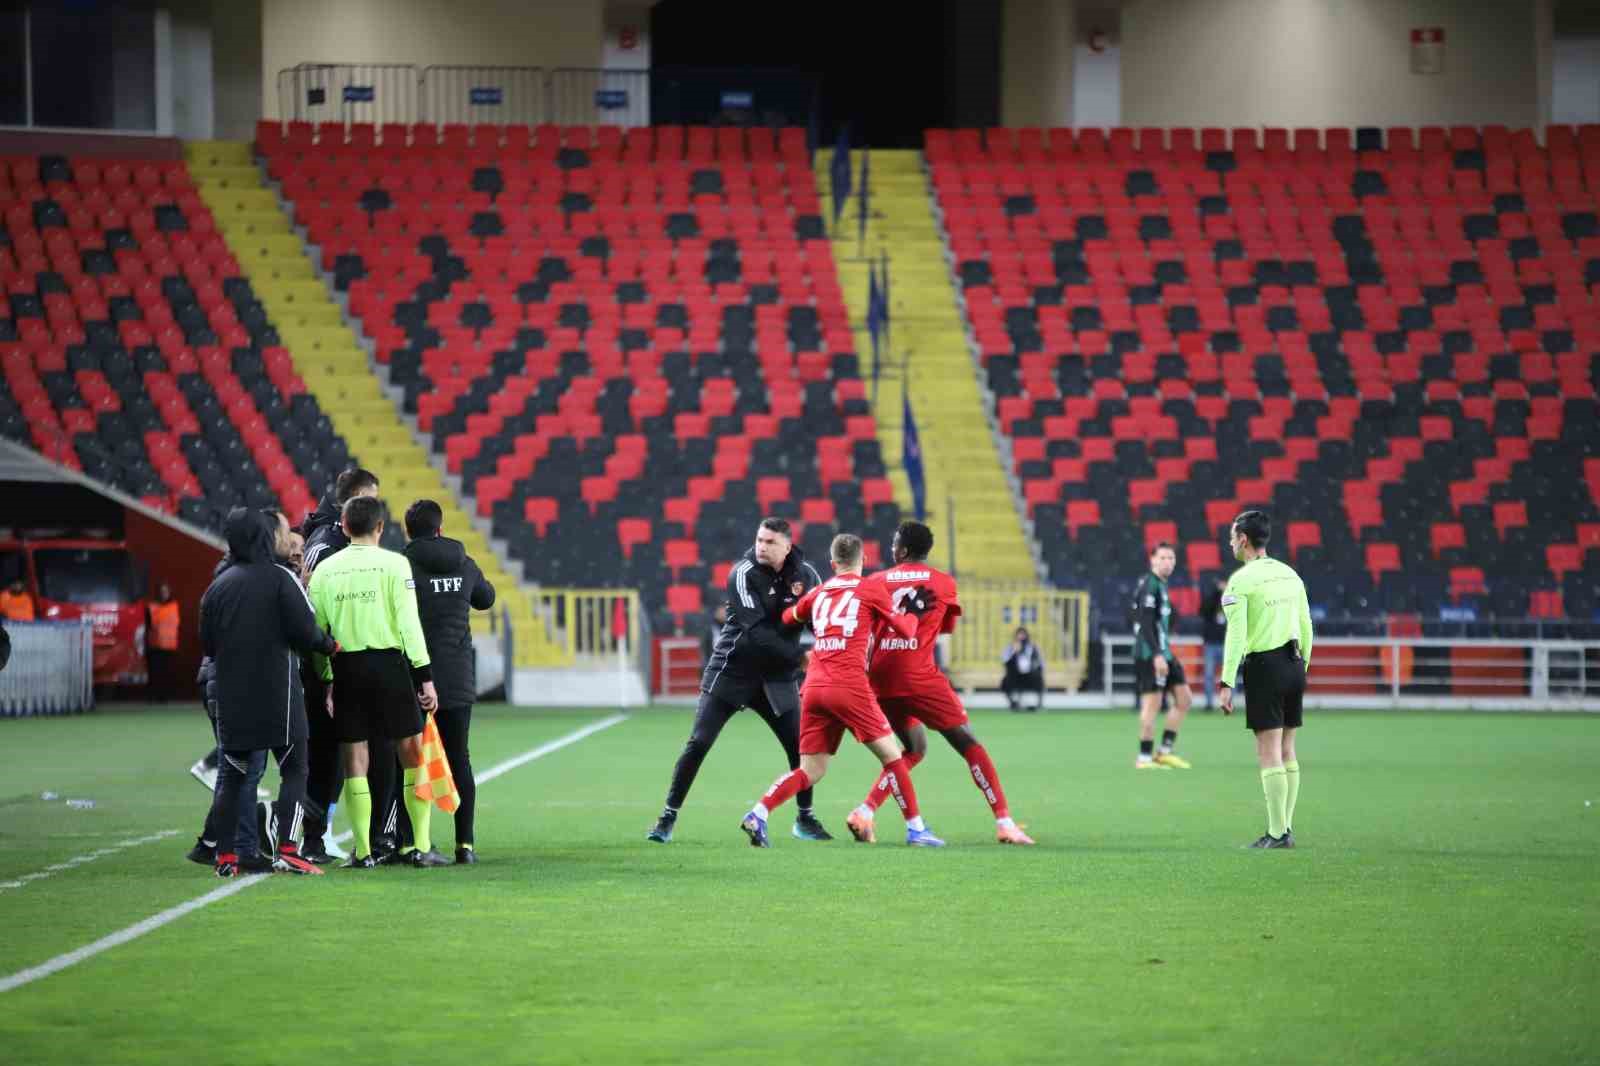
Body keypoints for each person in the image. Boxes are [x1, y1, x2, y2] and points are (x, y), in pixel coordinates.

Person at [741, 533, 943, 848]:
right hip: (848, 684)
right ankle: (917, 830)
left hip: (813, 687)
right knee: (894, 757)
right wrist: (915, 614)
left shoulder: (818, 592)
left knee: (810, 770)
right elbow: (905, 630)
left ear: (833, 564)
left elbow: (787, 617)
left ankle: (760, 812)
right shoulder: (870, 588)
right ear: (863, 561)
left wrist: (794, 611)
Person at [844, 521, 1035, 845]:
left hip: (879, 678)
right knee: (969, 744)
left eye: (894, 542)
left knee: (912, 749)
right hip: (919, 677)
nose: (892, 548)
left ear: (902, 550)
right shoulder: (943, 583)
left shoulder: (873, 581)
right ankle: (1004, 822)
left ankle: (865, 811)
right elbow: (944, 629)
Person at [645, 518, 831, 844]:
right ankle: (667, 817)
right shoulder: (742, 573)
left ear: (787, 546)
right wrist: (801, 657)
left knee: (800, 749)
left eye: (770, 542)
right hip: (733, 670)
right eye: (759, 539)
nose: (762, 546)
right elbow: (756, 633)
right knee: (699, 743)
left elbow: (819, 623)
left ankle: (805, 819)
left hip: (777, 677)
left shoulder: (808, 576)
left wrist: (826, 649)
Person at [308, 495, 446, 868]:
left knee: (355, 759)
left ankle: (365, 851)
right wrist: (425, 677)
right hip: (390, 665)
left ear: (346, 527)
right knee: (412, 754)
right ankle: (420, 845)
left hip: (347, 667)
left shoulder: (324, 571)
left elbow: (317, 632)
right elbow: (409, 625)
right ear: (381, 528)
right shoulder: (395, 564)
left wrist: (327, 680)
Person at [199, 508, 336, 877]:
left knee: (233, 775)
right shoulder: (280, 579)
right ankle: (290, 849)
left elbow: (208, 645)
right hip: (278, 692)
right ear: (264, 537)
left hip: (232, 695)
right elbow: (306, 631)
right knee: (294, 767)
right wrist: (329, 645)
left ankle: (226, 857)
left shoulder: (219, 585)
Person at [399, 499, 496, 864]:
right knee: (460, 759)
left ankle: (408, 842)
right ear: (440, 528)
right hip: (456, 676)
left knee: (406, 762)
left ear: (409, 531)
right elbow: (485, 599)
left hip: (413, 675)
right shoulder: (463, 561)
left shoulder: (401, 564)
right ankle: (465, 845)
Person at [298, 467, 380, 863]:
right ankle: (311, 837)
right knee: (326, 754)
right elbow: (310, 602)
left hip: (336, 661)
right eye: (372, 496)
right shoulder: (326, 541)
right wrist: (325, 668)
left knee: (335, 753)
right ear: (355, 497)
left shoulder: (336, 537)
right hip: (323, 665)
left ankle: (319, 833)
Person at [1218, 510, 1314, 850]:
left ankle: (1276, 834)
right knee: (1288, 749)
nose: (1230, 542)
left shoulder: (1240, 582)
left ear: (1243, 539)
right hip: (1294, 663)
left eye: (1232, 536)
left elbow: (1237, 634)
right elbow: (1306, 626)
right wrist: (1303, 668)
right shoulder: (1290, 575)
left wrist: (1226, 681)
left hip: (1266, 667)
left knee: (1268, 752)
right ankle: (1285, 826)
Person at [1132, 543, 1194, 770]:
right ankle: (1144, 758)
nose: (1167, 562)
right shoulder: (1149, 585)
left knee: (1184, 699)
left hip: (1165, 653)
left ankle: (1164, 752)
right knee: (1152, 705)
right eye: (1163, 558)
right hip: (1151, 655)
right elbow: (1145, 622)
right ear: (1153, 560)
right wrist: (1157, 654)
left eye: (1171, 558)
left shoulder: (1161, 586)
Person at [146, 582, 180, 702]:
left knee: (166, 673)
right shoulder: (152, 607)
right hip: (155, 646)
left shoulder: (174, 606)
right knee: (155, 673)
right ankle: (153, 696)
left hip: (169, 646)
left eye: (166, 591)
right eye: (162, 591)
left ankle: (164, 697)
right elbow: (147, 626)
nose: (164, 594)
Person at [1001, 627, 1045, 711]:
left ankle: (1039, 704)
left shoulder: (1033, 647)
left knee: (1039, 677)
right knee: (1005, 681)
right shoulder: (1010, 647)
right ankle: (1013, 704)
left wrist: (1035, 666)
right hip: (1016, 676)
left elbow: (1041, 663)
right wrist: (1014, 651)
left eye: (1023, 635)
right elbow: (1004, 660)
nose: (1021, 637)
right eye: (1019, 635)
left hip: (1030, 675)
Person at [1200, 577, 1227, 711]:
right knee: (1209, 675)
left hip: (1227, 643)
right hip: (1211, 643)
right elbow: (1203, 611)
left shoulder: (1232, 598)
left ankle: (1228, 702)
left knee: (1228, 676)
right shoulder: (1209, 598)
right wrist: (1217, 593)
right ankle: (1209, 703)